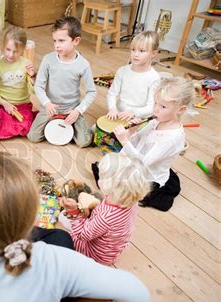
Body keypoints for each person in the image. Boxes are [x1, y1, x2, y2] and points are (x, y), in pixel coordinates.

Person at [0, 151, 150, 302]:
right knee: (61, 238)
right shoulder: (50, 260)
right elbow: (139, 296)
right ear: (33, 216)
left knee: (60, 237)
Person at [93, 77, 194, 212]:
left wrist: (124, 140)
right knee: (104, 167)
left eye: (163, 106)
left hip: (145, 174)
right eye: (155, 104)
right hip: (134, 162)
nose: (156, 110)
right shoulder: (156, 120)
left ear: (181, 110)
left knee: (113, 184)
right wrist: (131, 131)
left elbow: (143, 164)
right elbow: (136, 141)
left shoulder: (172, 138)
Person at [62, 153, 150, 265]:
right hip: (111, 249)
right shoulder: (130, 200)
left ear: (112, 186)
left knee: (63, 221)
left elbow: (82, 235)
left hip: (94, 255)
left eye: (102, 177)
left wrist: (74, 212)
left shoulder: (106, 217)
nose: (98, 179)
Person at [27, 16, 96, 147]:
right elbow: (39, 87)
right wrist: (47, 104)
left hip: (71, 110)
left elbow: (92, 92)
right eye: (55, 41)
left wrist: (78, 111)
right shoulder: (48, 60)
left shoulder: (83, 64)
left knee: (84, 142)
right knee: (33, 137)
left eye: (61, 41)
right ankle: (55, 123)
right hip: (49, 108)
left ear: (76, 40)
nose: (57, 45)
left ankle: (86, 129)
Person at [0, 26, 37, 140]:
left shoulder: (26, 64)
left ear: (23, 49)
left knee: (28, 126)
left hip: (23, 106)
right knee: (4, 126)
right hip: (5, 106)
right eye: (8, 49)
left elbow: (33, 91)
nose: (11, 55)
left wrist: (32, 76)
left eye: (16, 51)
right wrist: (4, 103)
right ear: (3, 46)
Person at [106, 31, 160, 121]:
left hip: (139, 116)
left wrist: (134, 112)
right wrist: (112, 108)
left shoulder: (154, 78)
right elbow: (111, 94)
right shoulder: (122, 71)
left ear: (153, 53)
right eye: (133, 49)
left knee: (126, 134)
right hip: (120, 113)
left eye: (142, 51)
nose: (136, 54)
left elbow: (151, 107)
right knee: (95, 131)